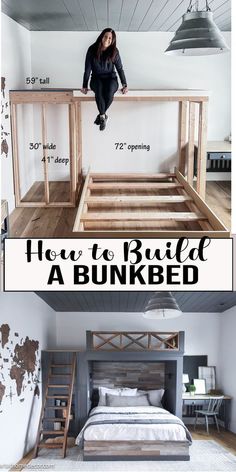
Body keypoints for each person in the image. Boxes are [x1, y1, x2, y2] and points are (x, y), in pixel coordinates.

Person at [81, 28, 128, 131]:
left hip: (111, 78)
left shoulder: (115, 51)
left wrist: (124, 84)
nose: (107, 39)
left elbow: (120, 69)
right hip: (96, 79)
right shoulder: (92, 49)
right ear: (102, 37)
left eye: (110, 38)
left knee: (110, 90)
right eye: (106, 36)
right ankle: (103, 116)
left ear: (113, 40)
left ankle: (101, 116)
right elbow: (87, 70)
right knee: (99, 89)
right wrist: (84, 85)